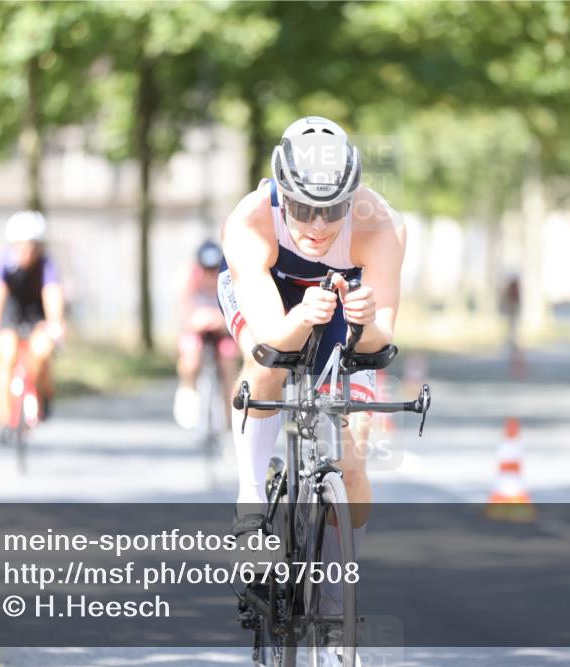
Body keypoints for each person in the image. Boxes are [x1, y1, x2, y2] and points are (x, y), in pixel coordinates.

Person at [219, 116, 405, 651]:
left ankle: (334, 600)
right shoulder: (250, 221)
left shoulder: (382, 225)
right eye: (302, 208)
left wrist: (366, 320)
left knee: (352, 458)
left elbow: (381, 343)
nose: (318, 225)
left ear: (354, 198)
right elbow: (270, 341)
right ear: (280, 194)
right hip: (273, 301)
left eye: (332, 209)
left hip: (345, 306)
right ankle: (251, 503)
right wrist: (301, 319)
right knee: (269, 367)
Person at [0, 211, 65, 438]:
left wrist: (55, 323)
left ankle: (43, 394)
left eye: (32, 246)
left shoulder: (47, 265)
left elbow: (53, 294)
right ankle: (3, 418)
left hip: (37, 318)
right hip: (10, 318)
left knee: (42, 352)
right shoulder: (5, 264)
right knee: (7, 356)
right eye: (22, 246)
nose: (27, 252)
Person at [173, 240, 240, 429]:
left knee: (228, 359)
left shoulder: (229, 277)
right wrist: (195, 321)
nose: (210, 274)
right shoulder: (188, 277)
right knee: (191, 354)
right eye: (206, 269)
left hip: (222, 328)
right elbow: (183, 313)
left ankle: (229, 416)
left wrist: (221, 322)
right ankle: (187, 388)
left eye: (214, 269)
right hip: (196, 328)